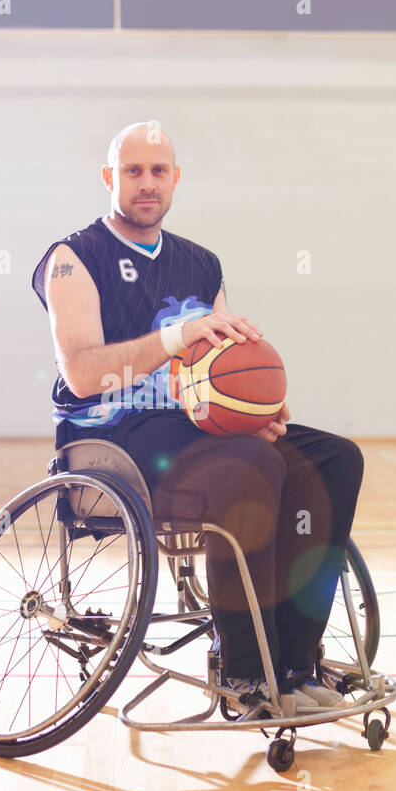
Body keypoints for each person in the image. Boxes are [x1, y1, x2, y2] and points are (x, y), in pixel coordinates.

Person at [30, 121, 364, 710]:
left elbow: (225, 366)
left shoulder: (201, 264)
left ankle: (292, 662)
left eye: (159, 171)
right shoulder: (72, 258)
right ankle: (241, 674)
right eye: (132, 171)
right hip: (114, 442)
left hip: (196, 432)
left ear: (176, 179)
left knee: (333, 458)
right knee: (251, 465)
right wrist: (174, 336)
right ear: (110, 178)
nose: (147, 183)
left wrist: (256, 409)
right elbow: (83, 372)